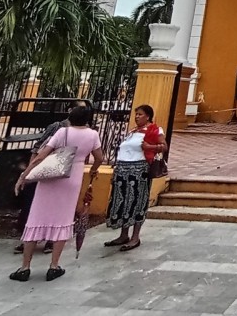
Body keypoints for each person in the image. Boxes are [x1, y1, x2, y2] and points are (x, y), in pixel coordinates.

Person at [10, 104, 104, 282]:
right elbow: (99, 158)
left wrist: (24, 175)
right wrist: (93, 170)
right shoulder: (93, 134)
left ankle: (25, 267)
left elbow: (41, 155)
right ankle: (54, 266)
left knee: (36, 218)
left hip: (52, 176)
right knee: (63, 219)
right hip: (73, 177)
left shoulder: (63, 132)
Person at [14, 100, 89, 255]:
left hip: (63, 174)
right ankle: (30, 240)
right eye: (79, 109)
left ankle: (49, 241)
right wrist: (30, 171)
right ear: (70, 110)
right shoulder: (58, 127)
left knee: (55, 209)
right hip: (47, 172)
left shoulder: (85, 132)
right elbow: (39, 149)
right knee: (36, 208)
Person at [105, 104, 166, 252]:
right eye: (136, 114)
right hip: (123, 170)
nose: (137, 116)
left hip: (139, 171)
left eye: (140, 114)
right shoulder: (133, 131)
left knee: (136, 202)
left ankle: (135, 237)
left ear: (148, 116)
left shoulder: (154, 130)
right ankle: (123, 235)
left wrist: (149, 147)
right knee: (123, 202)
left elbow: (163, 147)